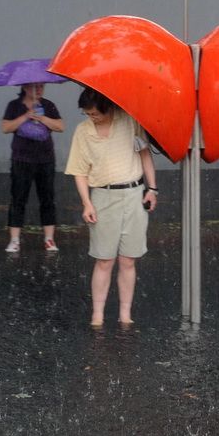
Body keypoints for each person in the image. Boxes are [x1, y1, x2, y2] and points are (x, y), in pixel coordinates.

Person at [65, 87, 158, 327]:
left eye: (95, 113)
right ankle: (97, 314)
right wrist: (86, 203)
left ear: (108, 108)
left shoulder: (129, 121)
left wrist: (152, 188)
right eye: (87, 113)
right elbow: (79, 171)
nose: (91, 117)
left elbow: (145, 154)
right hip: (102, 197)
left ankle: (125, 313)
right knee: (104, 259)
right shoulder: (83, 132)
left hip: (134, 194)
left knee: (128, 259)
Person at [2, 82, 64, 253]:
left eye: (41, 87)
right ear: (24, 88)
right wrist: (26, 116)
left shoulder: (48, 105)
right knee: (18, 199)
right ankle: (14, 240)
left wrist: (42, 118)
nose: (39, 90)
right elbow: (5, 127)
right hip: (21, 159)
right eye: (34, 87)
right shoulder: (14, 106)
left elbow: (60, 126)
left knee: (47, 199)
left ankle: (49, 239)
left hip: (45, 159)